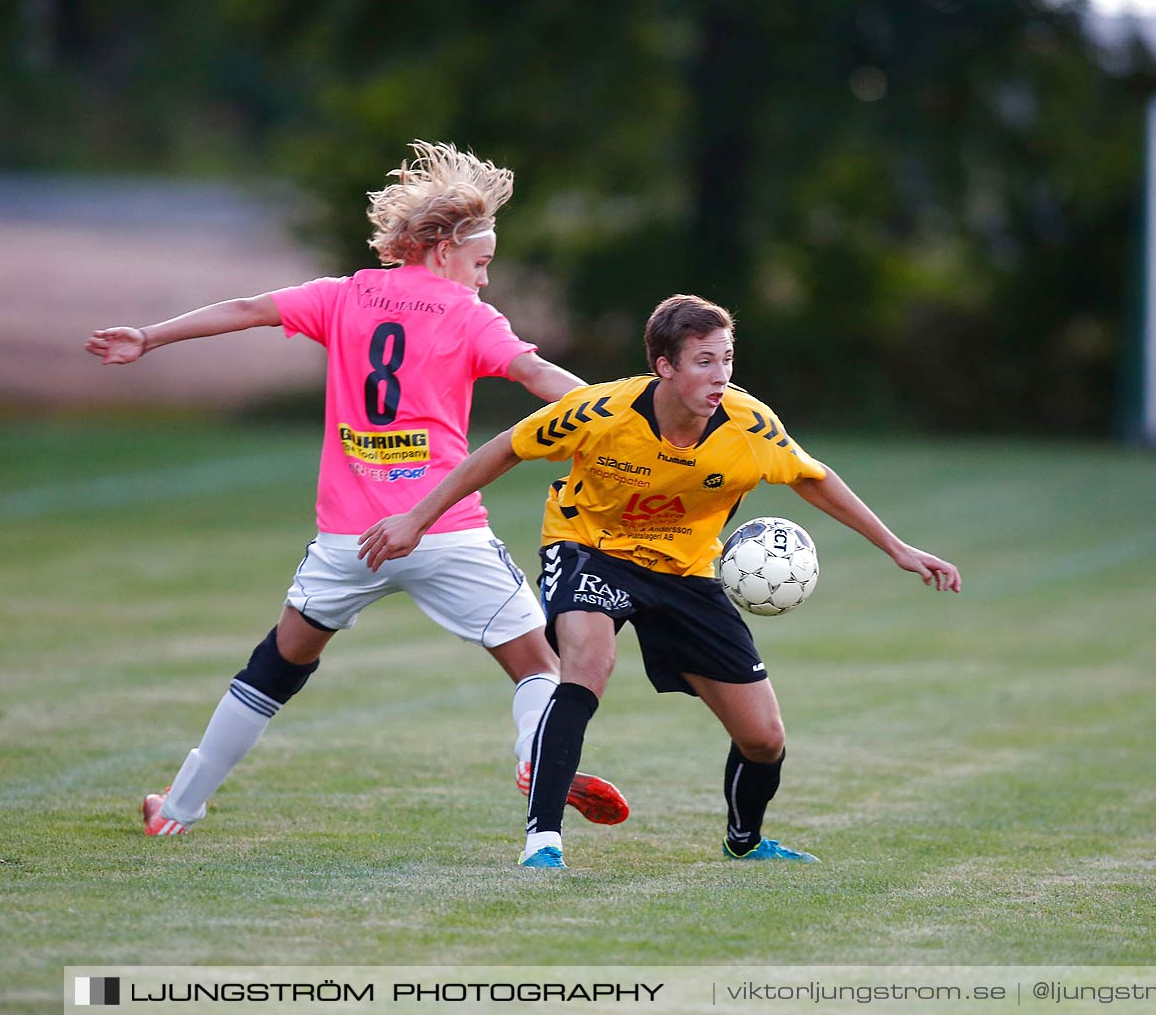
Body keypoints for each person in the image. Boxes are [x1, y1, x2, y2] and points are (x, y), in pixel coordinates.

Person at [84, 141, 628, 836]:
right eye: (482, 264)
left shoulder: (344, 296)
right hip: (445, 530)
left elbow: (250, 308)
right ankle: (533, 756)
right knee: (536, 668)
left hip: (349, 541)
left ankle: (179, 808)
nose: (485, 281)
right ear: (442, 250)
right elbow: (538, 376)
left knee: (276, 666)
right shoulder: (466, 317)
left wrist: (149, 338)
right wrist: (616, 419)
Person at [360, 294, 961, 868]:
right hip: (590, 549)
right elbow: (503, 450)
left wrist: (898, 548)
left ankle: (746, 841)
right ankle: (543, 840)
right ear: (664, 366)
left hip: (687, 571)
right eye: (704, 361)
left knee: (764, 738)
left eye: (726, 358)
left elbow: (814, 477)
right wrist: (417, 519)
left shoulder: (749, 425)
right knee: (587, 667)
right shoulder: (601, 413)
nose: (720, 374)